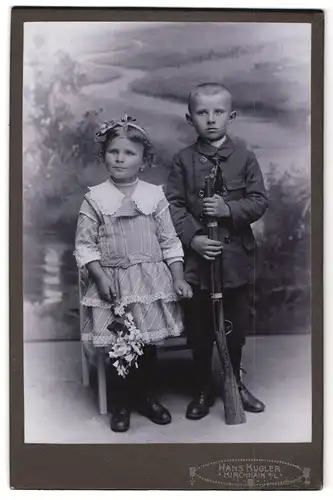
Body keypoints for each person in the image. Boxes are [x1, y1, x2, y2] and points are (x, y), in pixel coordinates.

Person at [74, 115, 192, 432]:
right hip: (112, 282)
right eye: (114, 152)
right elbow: (84, 246)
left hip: (150, 283)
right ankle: (121, 403)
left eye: (129, 153)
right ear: (103, 157)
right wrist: (99, 276)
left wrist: (178, 277)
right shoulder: (95, 199)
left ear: (144, 160)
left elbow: (170, 242)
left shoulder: (154, 196)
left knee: (148, 346)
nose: (120, 158)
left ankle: (146, 397)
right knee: (121, 345)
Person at [166, 83, 268, 420]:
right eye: (202, 112)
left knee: (235, 328)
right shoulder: (182, 160)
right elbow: (173, 205)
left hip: (235, 261)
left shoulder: (245, 158)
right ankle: (202, 387)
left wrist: (229, 210)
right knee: (199, 330)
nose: (211, 119)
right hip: (198, 263)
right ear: (190, 118)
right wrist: (193, 238)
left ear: (231, 116)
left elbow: (259, 201)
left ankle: (234, 382)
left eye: (218, 112)